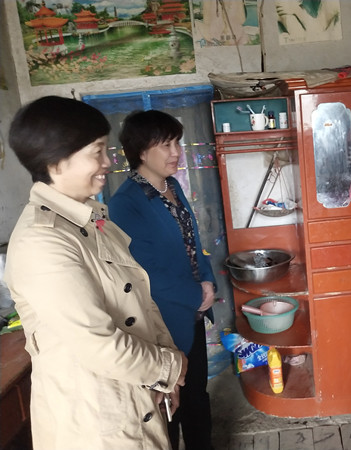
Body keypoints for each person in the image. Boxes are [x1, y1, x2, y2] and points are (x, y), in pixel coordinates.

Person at [5, 96, 187, 450]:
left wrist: (164, 378)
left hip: (137, 397)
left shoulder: (91, 220)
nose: (108, 162)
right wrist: (170, 366)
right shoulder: (43, 240)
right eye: (97, 152)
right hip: (97, 421)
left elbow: (141, 302)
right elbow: (98, 344)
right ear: (56, 161)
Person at [108, 110, 217, 450]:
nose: (176, 152)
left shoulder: (172, 187)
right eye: (166, 145)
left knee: (197, 393)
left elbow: (193, 243)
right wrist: (196, 294)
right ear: (141, 151)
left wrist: (208, 281)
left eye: (177, 143)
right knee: (169, 404)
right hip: (163, 320)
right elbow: (145, 271)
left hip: (193, 311)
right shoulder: (125, 203)